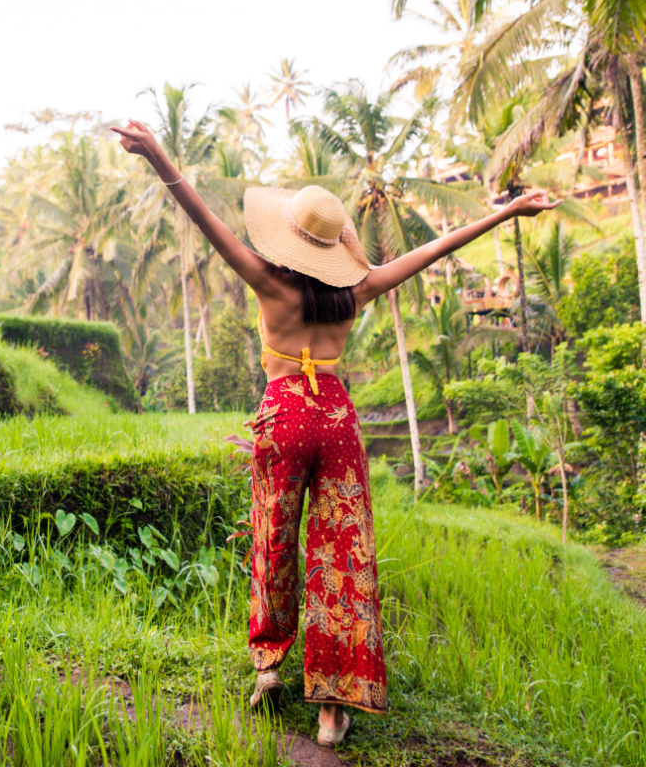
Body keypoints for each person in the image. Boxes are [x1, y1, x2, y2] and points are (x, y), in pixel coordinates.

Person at [112, 117, 561, 747]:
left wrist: (157, 153)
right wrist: (508, 212)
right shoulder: (357, 293)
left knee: (273, 535)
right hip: (338, 420)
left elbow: (201, 217)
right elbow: (435, 249)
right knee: (341, 556)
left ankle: (269, 667)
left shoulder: (269, 284)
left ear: (290, 241)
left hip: (283, 414)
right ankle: (331, 711)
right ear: (335, 245)